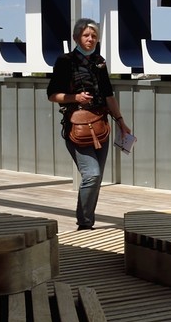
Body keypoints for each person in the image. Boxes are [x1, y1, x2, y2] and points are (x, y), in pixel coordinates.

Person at [46, 19, 131, 230]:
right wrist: (75, 97)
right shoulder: (65, 61)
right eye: (86, 35)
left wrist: (121, 121)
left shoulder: (99, 61)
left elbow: (108, 95)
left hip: (101, 125)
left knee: (96, 178)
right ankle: (84, 224)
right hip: (78, 127)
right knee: (91, 175)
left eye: (94, 36)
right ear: (76, 38)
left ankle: (86, 222)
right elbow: (52, 95)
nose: (90, 39)